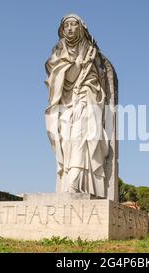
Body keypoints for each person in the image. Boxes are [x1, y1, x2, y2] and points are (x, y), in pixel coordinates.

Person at [44, 14, 114, 198]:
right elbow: (59, 78)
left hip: (87, 98)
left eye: (73, 24)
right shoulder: (58, 51)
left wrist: (87, 65)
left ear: (81, 27)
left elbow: (98, 80)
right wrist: (77, 64)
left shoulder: (90, 50)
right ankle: (71, 182)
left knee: (81, 136)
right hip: (65, 102)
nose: (69, 28)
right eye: (66, 25)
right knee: (66, 141)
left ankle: (74, 185)